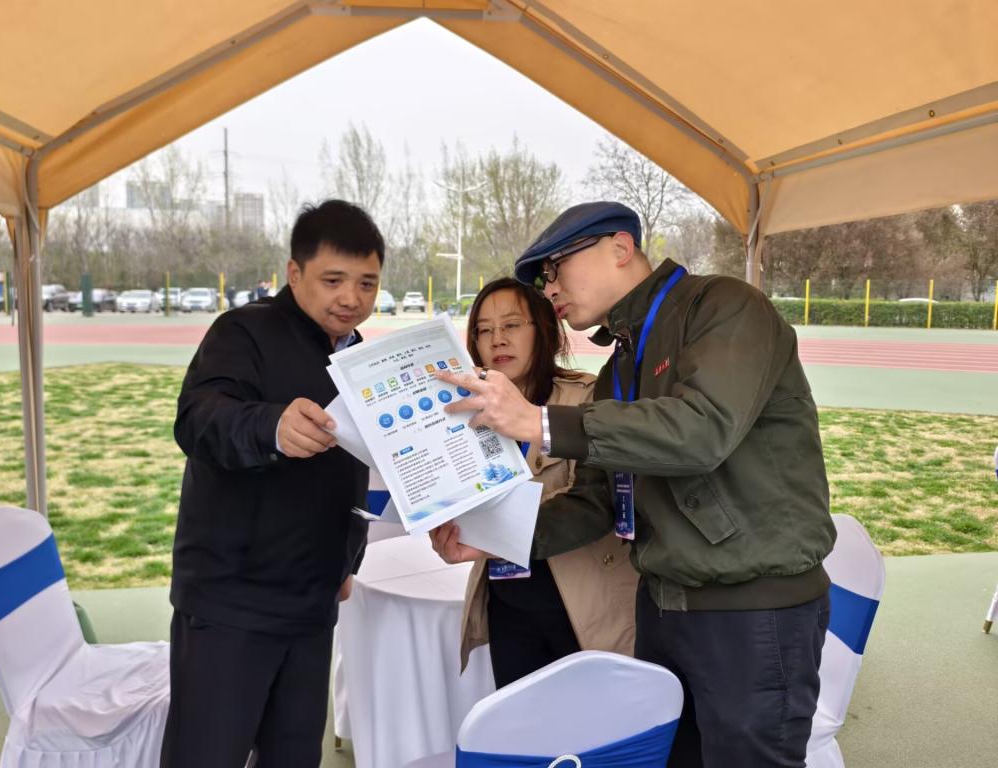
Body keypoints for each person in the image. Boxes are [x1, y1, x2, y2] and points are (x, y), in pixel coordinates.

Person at [431, 201, 836, 768]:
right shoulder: (619, 368)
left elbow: (702, 431)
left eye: (555, 268)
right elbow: (597, 500)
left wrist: (538, 421)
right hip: (661, 608)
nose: (550, 288)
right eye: (544, 278)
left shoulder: (725, 307)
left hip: (750, 609)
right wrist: (493, 536)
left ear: (620, 247)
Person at [161, 199, 385, 768]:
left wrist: (346, 559)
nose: (351, 297)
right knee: (206, 756)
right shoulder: (244, 331)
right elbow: (197, 419)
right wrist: (272, 426)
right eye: (333, 280)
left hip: (312, 600)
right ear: (295, 273)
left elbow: (351, 469)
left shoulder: (358, 355)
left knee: (294, 754)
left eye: (367, 283)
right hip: (232, 601)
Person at [459, 277, 638, 688]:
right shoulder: (468, 413)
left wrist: (500, 532)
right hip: (507, 604)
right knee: (521, 720)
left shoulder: (587, 399)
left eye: (511, 325)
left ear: (544, 330)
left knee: (591, 721)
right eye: (484, 330)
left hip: (581, 608)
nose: (497, 339)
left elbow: (594, 505)